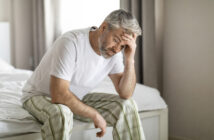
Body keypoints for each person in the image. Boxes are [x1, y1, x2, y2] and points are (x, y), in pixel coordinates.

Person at [21, 9, 145, 140]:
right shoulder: (71, 42)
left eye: (123, 46)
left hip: (75, 98)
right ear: (103, 27)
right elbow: (59, 94)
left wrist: (130, 59)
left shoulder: (114, 53)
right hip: (41, 95)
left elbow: (125, 93)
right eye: (115, 40)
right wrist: (94, 114)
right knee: (62, 113)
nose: (116, 49)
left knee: (127, 105)